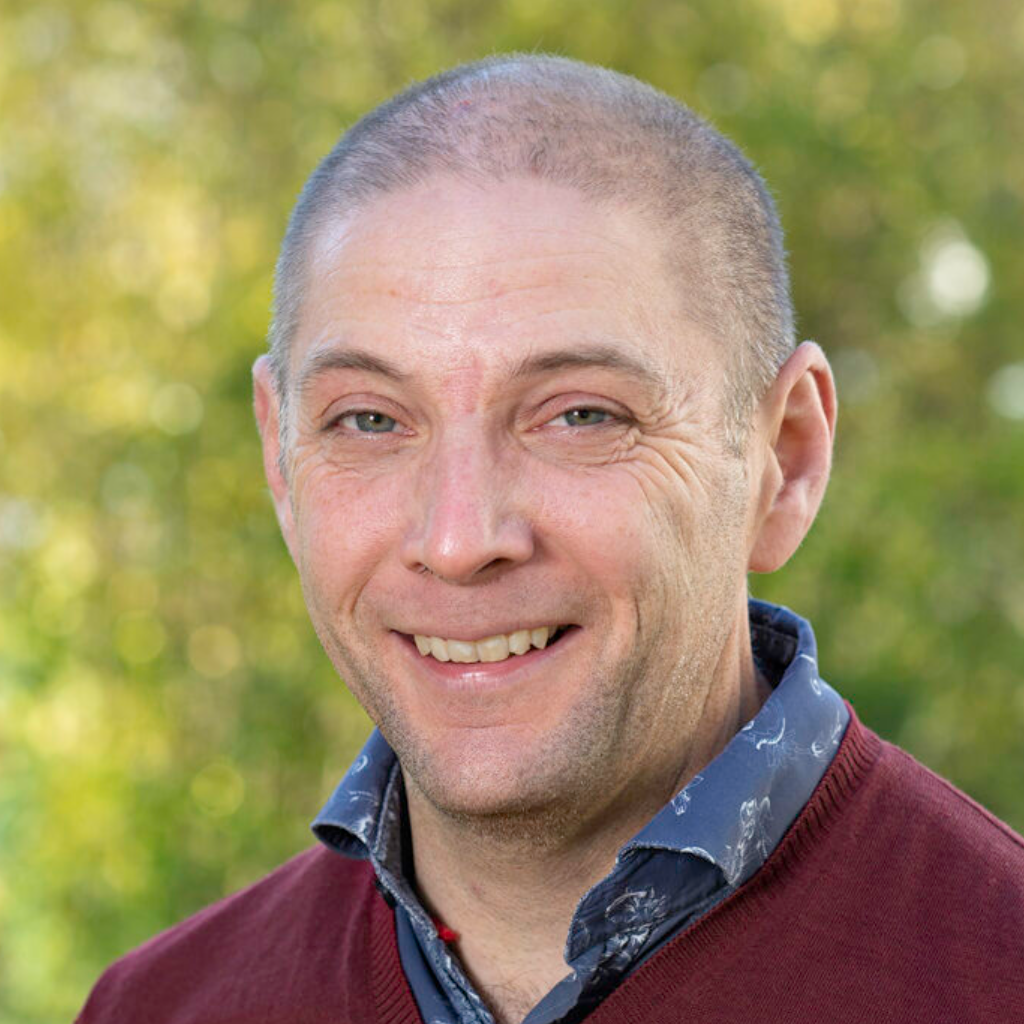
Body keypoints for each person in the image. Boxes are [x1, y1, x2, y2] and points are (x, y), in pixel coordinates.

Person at [77, 54, 1024, 1024]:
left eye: (580, 415)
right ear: (281, 463)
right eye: (368, 420)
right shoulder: (157, 1008)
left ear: (783, 459)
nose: (458, 540)